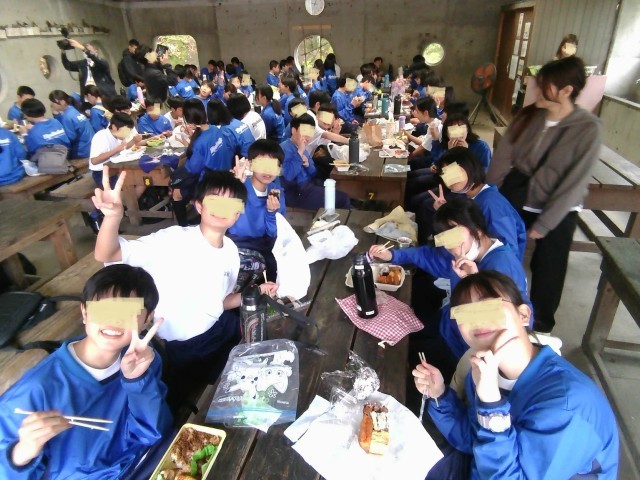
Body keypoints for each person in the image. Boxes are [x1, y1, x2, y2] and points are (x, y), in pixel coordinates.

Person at [93, 168, 277, 408]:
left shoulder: (231, 250)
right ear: (199, 206)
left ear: (238, 213)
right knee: (238, 395)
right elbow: (107, 254)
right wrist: (112, 217)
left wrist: (256, 292)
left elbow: (220, 301)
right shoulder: (172, 241)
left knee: (265, 365)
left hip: (222, 329)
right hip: (188, 349)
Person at [414, 270, 619, 479]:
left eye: (489, 307)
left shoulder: (567, 405)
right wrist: (440, 395)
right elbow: (475, 441)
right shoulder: (484, 372)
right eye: (465, 314)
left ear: (524, 315)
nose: (477, 320)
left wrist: (490, 404)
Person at [0, 264, 173, 479]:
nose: (114, 321)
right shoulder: (36, 388)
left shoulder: (144, 358)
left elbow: (154, 432)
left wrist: (137, 381)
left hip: (147, 463)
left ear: (147, 319)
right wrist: (21, 454)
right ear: (84, 311)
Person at [487, 56, 600, 334]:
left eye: (544, 86)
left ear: (566, 90)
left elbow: (574, 183)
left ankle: (540, 328)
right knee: (499, 252)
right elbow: (502, 158)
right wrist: (488, 194)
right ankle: (496, 313)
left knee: (549, 268)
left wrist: (544, 224)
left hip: (558, 208)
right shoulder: (529, 116)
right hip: (519, 196)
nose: (535, 91)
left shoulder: (587, 128)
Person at [369, 197, 529, 377]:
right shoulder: (462, 254)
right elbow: (427, 255)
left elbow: (513, 325)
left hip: (460, 348)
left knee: (399, 356)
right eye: (444, 237)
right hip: (447, 323)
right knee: (399, 333)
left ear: (477, 228)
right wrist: (392, 255)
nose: (449, 245)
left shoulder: (502, 266)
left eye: (454, 233)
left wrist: (471, 281)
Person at [228, 139, 287, 281]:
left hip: (265, 245)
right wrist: (235, 188)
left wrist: (271, 213)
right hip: (237, 243)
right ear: (250, 164)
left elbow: (274, 234)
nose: (268, 170)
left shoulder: (276, 191)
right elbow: (226, 220)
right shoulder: (239, 186)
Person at [170, 99, 224, 226]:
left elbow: (192, 169)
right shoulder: (215, 130)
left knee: (176, 191)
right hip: (221, 173)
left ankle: (183, 227)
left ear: (189, 120)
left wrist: (174, 180)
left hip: (206, 181)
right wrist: (192, 137)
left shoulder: (199, 142)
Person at [280, 113, 350, 211]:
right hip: (296, 192)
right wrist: (299, 153)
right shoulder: (284, 148)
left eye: (310, 133)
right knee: (342, 199)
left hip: (309, 184)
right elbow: (288, 176)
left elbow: (314, 172)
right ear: (293, 130)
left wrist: (308, 165)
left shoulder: (301, 146)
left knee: (343, 191)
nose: (308, 137)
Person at [49, 90, 94, 160]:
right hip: (90, 146)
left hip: (82, 152)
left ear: (62, 102)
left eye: (53, 102)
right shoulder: (73, 110)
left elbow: (70, 138)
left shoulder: (67, 116)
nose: (51, 105)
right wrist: (57, 116)